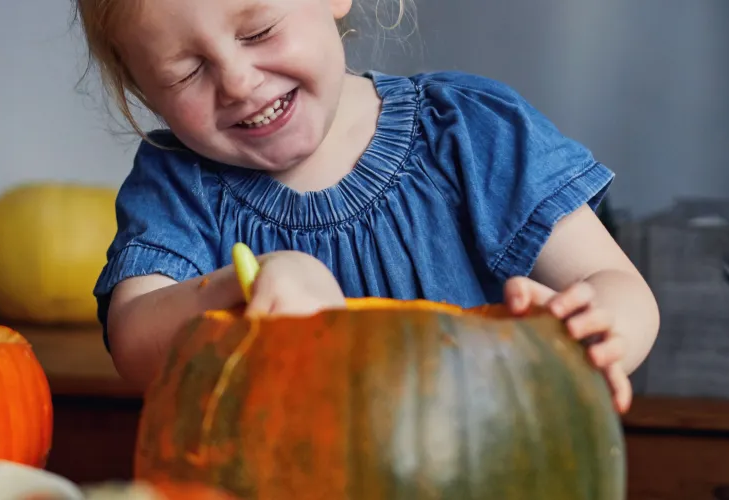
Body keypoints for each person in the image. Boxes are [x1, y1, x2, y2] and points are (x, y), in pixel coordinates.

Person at [74, 0, 659, 411]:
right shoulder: (180, 182)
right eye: (187, 72)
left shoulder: (467, 133)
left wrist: (598, 332)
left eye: (257, 32)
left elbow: (614, 284)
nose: (237, 82)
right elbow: (134, 338)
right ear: (143, 88)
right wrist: (249, 284)